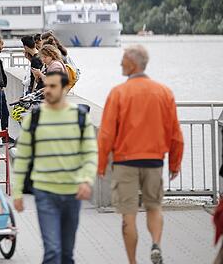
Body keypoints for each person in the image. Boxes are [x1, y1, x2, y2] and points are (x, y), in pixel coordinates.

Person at [97, 45, 184, 264]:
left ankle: (133, 261)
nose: (120, 64)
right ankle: (155, 243)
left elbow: (106, 134)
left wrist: (100, 165)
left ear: (132, 64)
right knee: (154, 207)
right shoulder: (163, 92)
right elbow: (175, 133)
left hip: (126, 162)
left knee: (128, 216)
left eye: (123, 60)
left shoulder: (118, 93)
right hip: (154, 161)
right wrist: (175, 163)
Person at [12, 71, 97, 264]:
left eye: (52, 86)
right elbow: (23, 155)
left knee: (67, 254)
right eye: (45, 86)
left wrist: (87, 180)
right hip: (45, 192)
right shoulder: (34, 118)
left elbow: (90, 153)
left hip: (72, 193)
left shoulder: (79, 117)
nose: (47, 91)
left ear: (65, 89)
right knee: (52, 250)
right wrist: (17, 192)